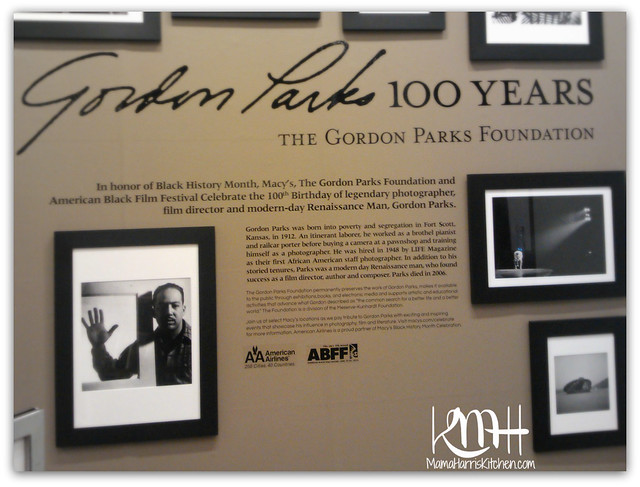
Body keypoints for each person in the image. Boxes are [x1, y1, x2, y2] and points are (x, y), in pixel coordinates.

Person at [82, 283, 192, 386]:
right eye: (162, 307)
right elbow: (111, 374)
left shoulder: (197, 341)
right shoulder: (142, 347)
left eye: (175, 305)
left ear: (183, 309)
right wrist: (98, 346)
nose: (168, 312)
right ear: (154, 312)